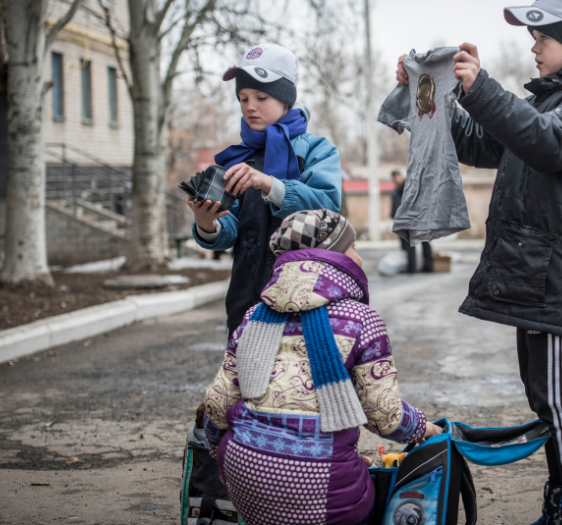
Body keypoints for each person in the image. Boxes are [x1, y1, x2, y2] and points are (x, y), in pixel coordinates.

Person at [395, 0, 562, 525]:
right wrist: (433, 95)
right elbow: (486, 144)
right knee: (544, 396)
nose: (534, 45)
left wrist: (483, 87)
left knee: (557, 400)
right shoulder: (550, 101)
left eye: (544, 36)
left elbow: (548, 142)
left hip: (560, 273)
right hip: (539, 271)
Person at [201, 209, 443, 525]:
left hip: (245, 476)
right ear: (333, 254)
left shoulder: (253, 316)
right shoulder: (361, 320)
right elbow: (384, 417)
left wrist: (221, 454)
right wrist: (424, 428)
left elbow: (218, 407)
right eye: (352, 247)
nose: (358, 256)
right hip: (325, 488)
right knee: (371, 497)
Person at [188, 43, 342, 336]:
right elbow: (232, 229)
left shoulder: (317, 150)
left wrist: (269, 184)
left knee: (299, 381)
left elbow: (327, 209)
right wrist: (207, 223)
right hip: (245, 303)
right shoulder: (237, 158)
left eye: (261, 96)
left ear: (286, 100)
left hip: (306, 300)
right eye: (243, 98)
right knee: (247, 381)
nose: (250, 106)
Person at [390, 170, 434, 274]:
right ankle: (428, 266)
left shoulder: (403, 188)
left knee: (412, 243)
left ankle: (412, 268)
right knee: (425, 242)